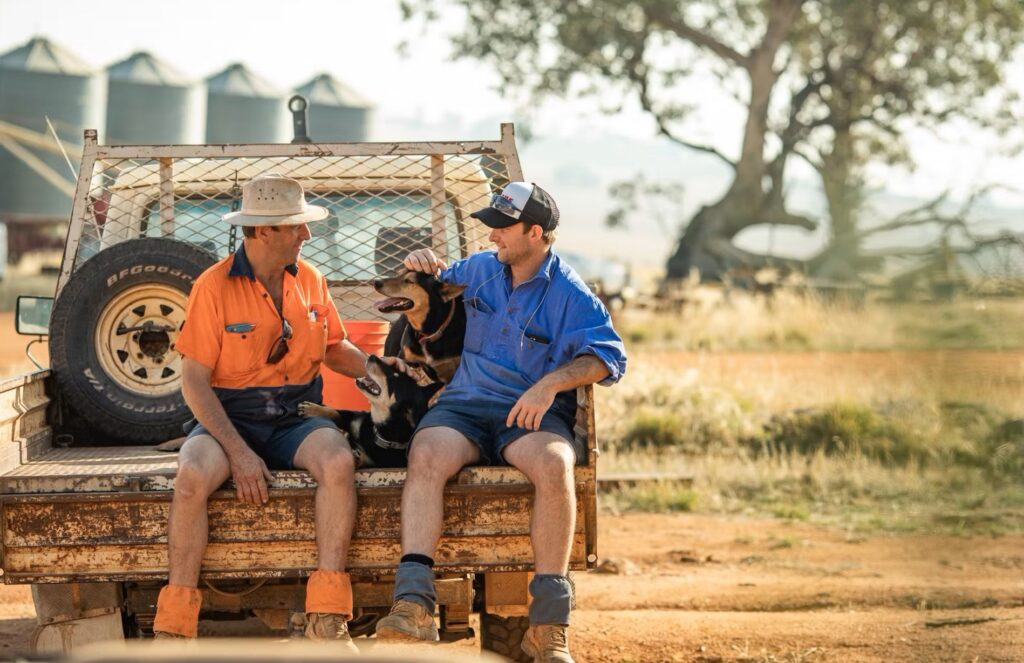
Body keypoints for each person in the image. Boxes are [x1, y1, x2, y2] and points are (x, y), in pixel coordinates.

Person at [375, 182, 627, 662]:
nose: (492, 237)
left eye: (502, 228)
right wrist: (419, 261)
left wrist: (549, 384)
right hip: (464, 406)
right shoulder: (476, 272)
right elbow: (427, 290)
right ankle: (413, 605)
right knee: (426, 452)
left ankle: (549, 626)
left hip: (527, 414)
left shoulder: (570, 292)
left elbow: (608, 358)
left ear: (536, 233)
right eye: (490, 227)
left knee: (555, 464)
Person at [152, 174, 367, 650]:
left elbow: (334, 347)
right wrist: (240, 453)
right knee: (191, 476)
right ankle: (174, 628)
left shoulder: (311, 280)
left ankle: (328, 619)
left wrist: (379, 371)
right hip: (229, 417)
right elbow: (193, 382)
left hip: (296, 416)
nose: (306, 235)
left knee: (337, 461)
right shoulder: (212, 287)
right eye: (296, 227)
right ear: (264, 232)